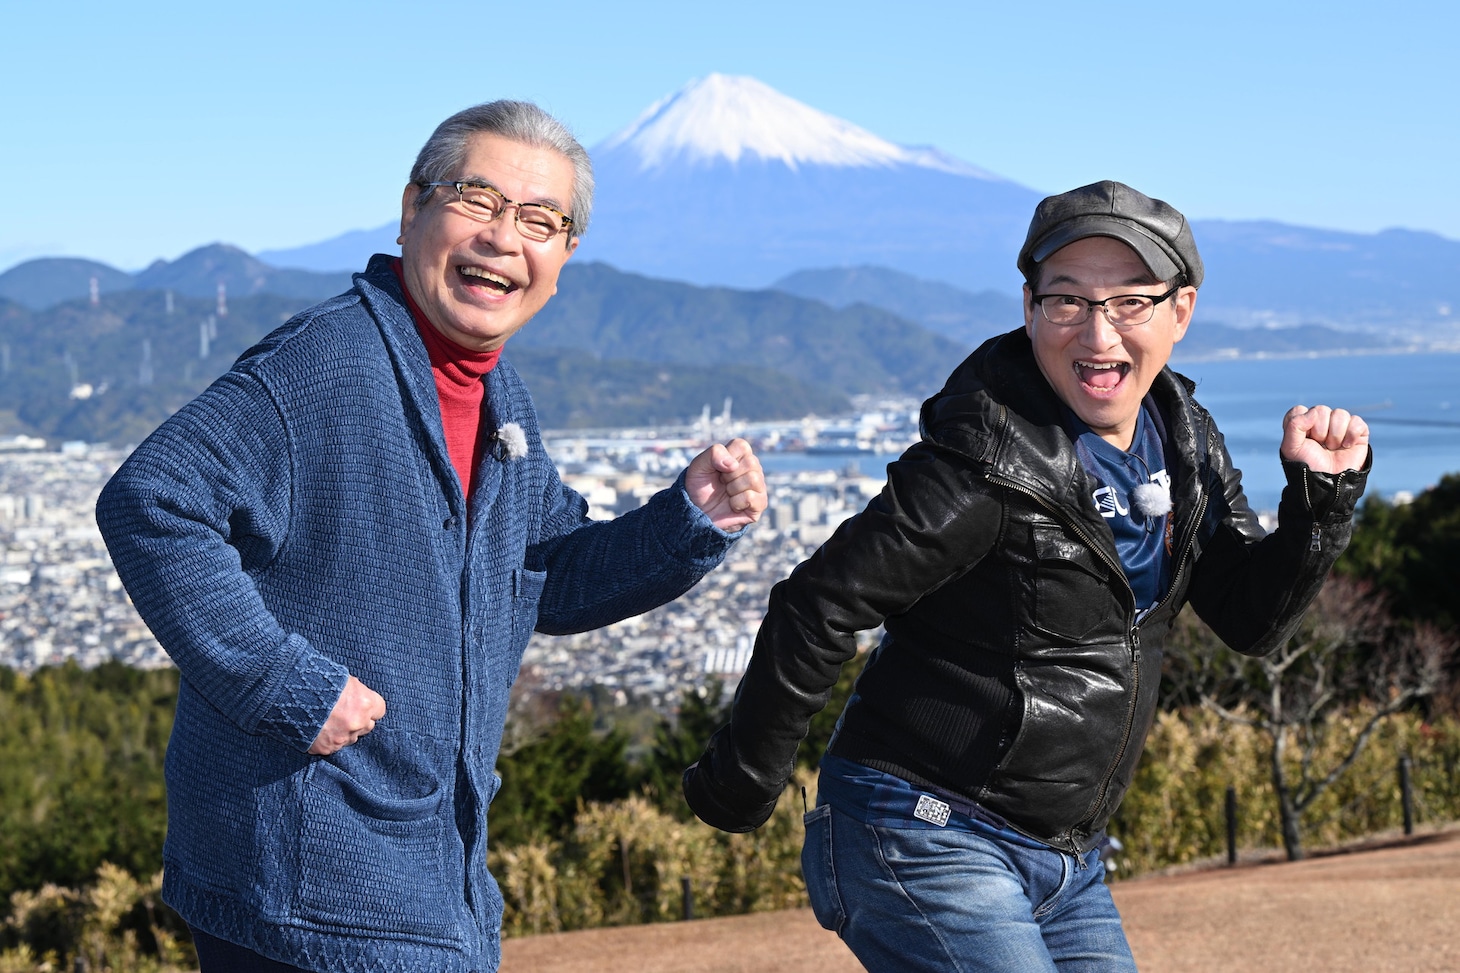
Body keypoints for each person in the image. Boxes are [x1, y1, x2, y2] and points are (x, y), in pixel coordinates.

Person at [96, 100, 765, 973]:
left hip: (423, 878)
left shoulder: (497, 400)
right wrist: (282, 680)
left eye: (538, 219)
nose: (501, 237)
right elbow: (153, 498)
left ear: (564, 257)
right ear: (413, 210)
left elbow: (541, 573)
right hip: (306, 882)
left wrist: (687, 520)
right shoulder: (324, 365)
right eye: (476, 200)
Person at [683, 180, 1370, 971]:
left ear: (1181, 310)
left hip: (1065, 857)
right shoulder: (985, 457)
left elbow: (1251, 618)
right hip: (919, 824)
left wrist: (1319, 508)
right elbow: (821, 601)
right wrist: (741, 781)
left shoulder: (1185, 439)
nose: (1097, 331)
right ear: (1029, 305)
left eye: (1130, 302)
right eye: (1066, 301)